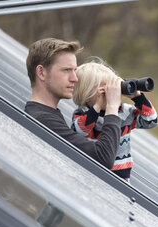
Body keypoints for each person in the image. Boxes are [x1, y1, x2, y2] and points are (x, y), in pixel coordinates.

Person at [24, 38, 122, 169]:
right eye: (66, 70)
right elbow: (103, 158)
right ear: (41, 72)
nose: (75, 78)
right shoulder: (44, 120)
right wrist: (112, 107)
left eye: (74, 70)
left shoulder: (46, 114)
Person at [72, 59, 158, 182]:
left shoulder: (124, 112)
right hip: (90, 173)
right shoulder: (83, 112)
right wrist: (97, 107)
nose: (112, 92)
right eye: (106, 89)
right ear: (86, 94)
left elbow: (151, 120)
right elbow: (79, 131)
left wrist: (137, 97)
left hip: (122, 177)